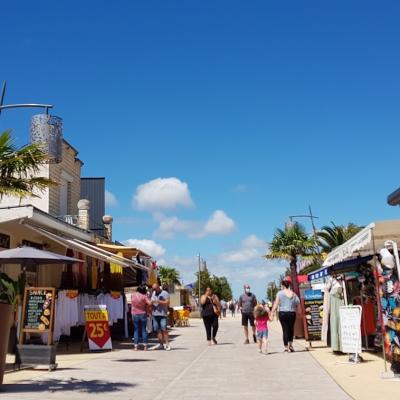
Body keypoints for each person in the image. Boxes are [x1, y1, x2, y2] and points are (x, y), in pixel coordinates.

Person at [271, 280, 300, 352]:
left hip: (283, 313)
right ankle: (290, 345)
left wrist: (272, 312)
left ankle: (286, 347)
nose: (281, 287)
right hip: (292, 313)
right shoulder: (294, 294)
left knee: (285, 330)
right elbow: (298, 304)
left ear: (283, 286)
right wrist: (299, 313)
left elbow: (276, 303)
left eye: (281, 285)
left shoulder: (280, 293)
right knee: (291, 329)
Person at [150, 283, 171, 351]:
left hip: (162, 314)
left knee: (164, 329)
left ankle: (167, 344)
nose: (154, 290)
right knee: (157, 330)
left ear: (158, 287)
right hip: (155, 314)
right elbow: (151, 301)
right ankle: (161, 344)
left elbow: (168, 302)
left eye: (155, 289)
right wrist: (152, 303)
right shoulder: (153, 293)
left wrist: (159, 301)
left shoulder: (165, 293)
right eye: (153, 289)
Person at [131, 285, 152, 351]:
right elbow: (150, 303)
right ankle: (145, 347)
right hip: (142, 313)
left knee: (136, 330)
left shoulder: (133, 295)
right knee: (143, 330)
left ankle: (135, 347)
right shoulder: (144, 296)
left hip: (134, 313)